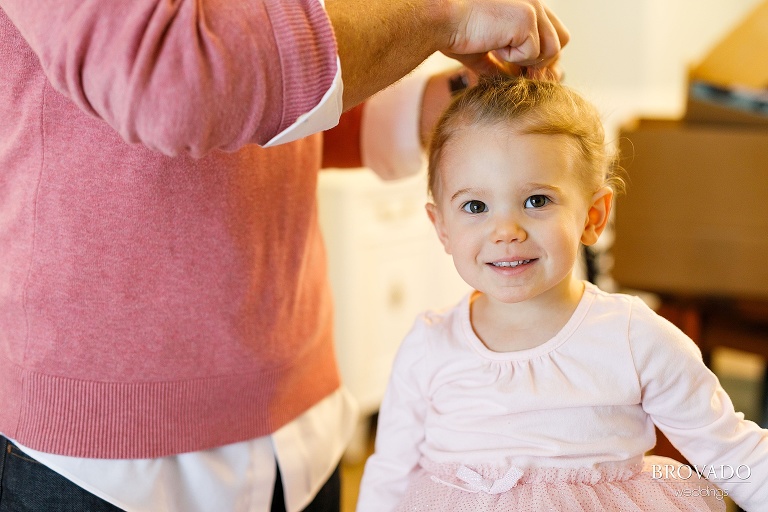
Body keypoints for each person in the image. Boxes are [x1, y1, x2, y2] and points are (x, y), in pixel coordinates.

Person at [0, 1, 570, 511]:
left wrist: (460, 101)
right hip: (105, 456)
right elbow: (175, 78)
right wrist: (439, 14)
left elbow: (276, 104)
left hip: (301, 427)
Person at [356, 75, 768, 512]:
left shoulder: (634, 339)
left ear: (593, 216)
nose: (506, 232)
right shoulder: (428, 347)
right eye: (475, 207)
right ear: (442, 228)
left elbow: (731, 450)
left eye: (536, 200)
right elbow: (390, 476)